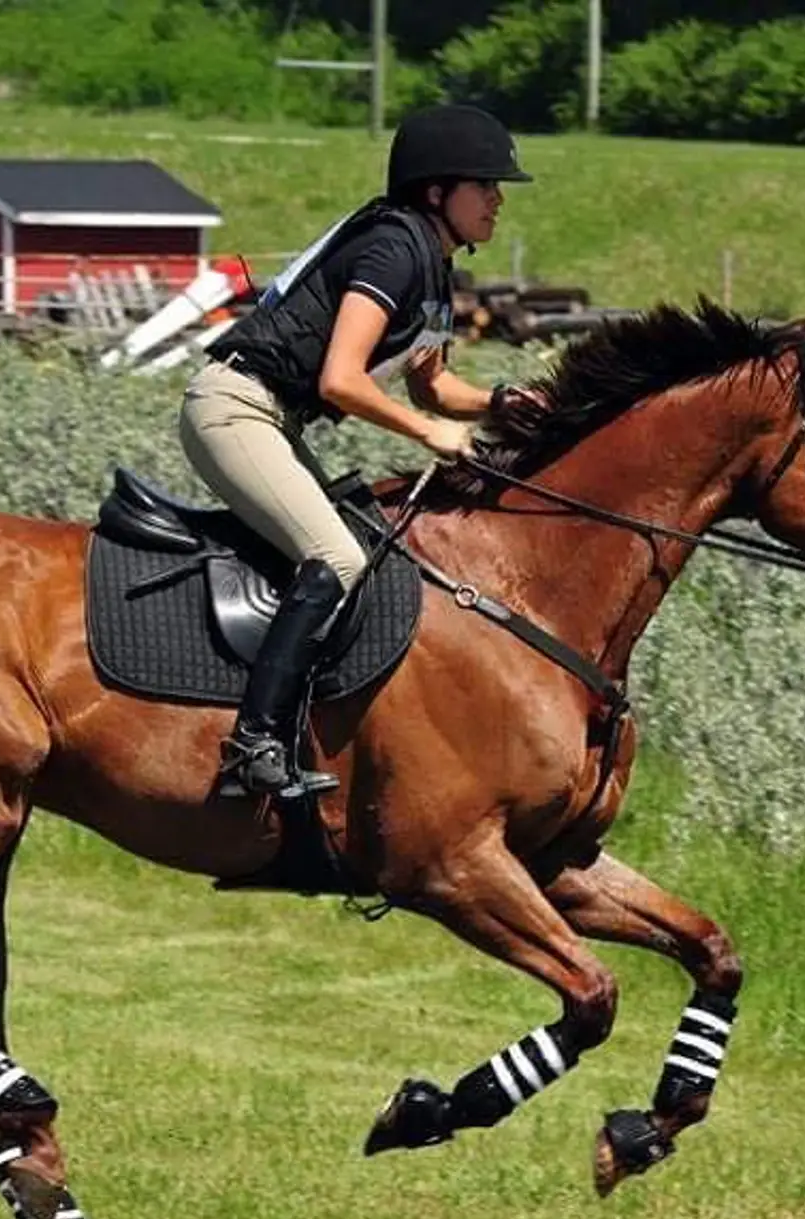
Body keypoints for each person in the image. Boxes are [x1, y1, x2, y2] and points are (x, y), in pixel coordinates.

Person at [181, 103, 538, 801]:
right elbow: (340, 381)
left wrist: (499, 403)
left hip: (272, 419)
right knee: (338, 558)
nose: (498, 200)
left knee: (365, 546)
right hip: (233, 408)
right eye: (485, 185)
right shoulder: (393, 250)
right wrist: (427, 433)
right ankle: (252, 744)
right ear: (437, 191)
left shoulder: (433, 266)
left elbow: (433, 385)